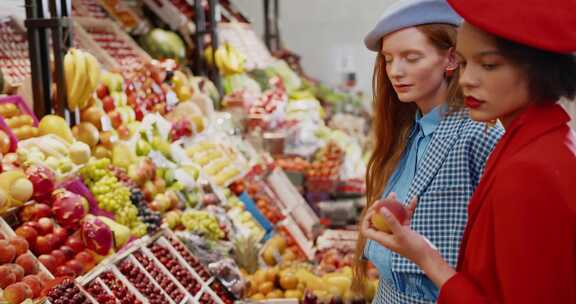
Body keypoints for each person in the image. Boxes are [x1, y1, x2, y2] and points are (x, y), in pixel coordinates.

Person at [360, 0, 576, 303]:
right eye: (464, 63)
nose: (466, 79)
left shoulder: (529, 167)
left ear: (539, 67)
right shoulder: (528, 145)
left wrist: (425, 258)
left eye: (488, 64)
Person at [353, 0, 503, 303]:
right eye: (388, 59)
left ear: (450, 58)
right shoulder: (408, 132)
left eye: (411, 57)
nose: (395, 71)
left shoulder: (479, 134)